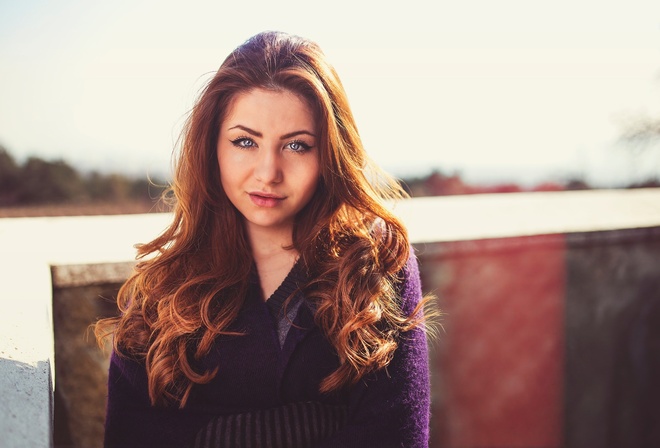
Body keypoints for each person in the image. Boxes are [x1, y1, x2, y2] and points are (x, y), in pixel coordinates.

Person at [95, 30, 434, 448]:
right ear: (212, 146)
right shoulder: (162, 286)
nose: (268, 171)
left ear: (328, 153)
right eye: (245, 142)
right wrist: (306, 425)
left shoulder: (375, 261)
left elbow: (395, 435)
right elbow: (133, 437)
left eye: (296, 145)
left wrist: (214, 434)